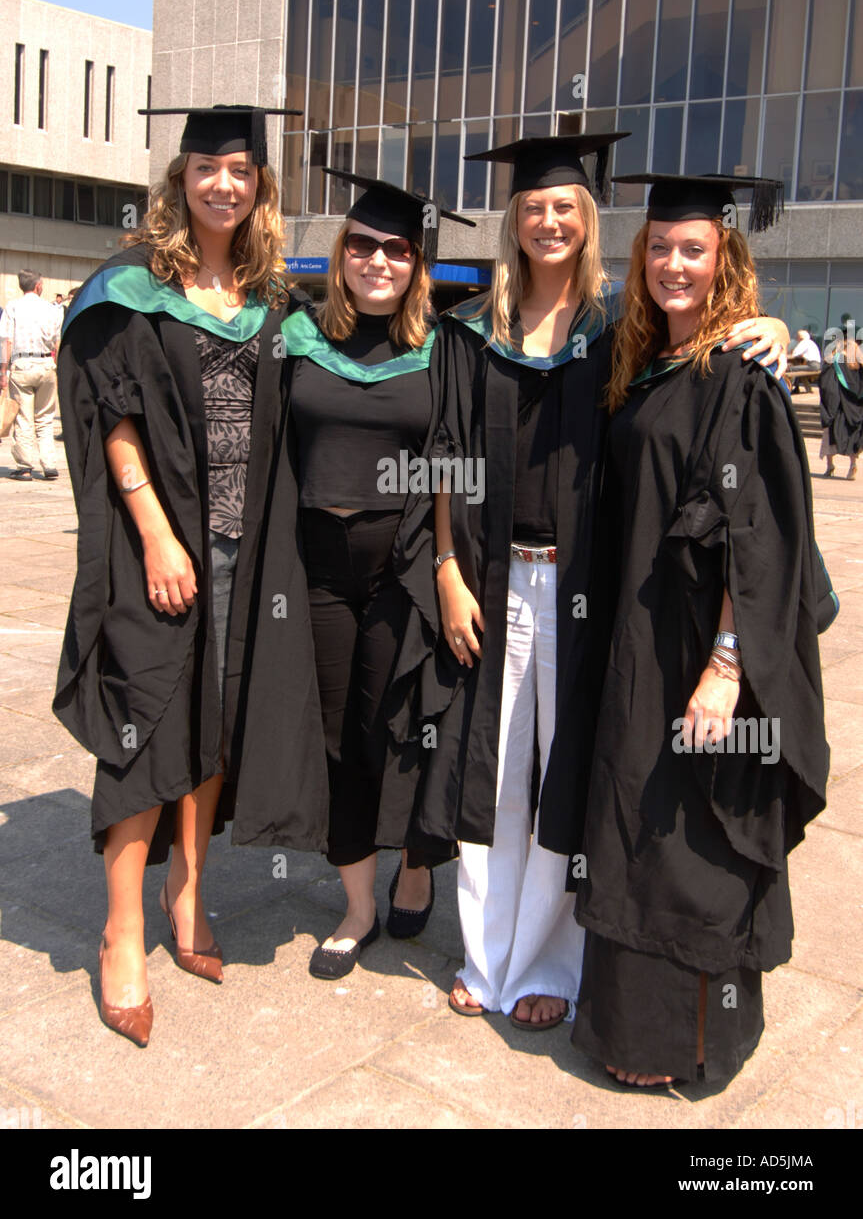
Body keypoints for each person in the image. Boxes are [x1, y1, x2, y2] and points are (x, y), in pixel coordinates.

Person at [410, 138, 791, 1030]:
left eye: (566, 209)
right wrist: (447, 570)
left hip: (590, 592)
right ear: (514, 221)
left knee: (567, 769)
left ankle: (548, 960)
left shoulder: (617, 330)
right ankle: (484, 954)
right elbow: (445, 463)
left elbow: (703, 360)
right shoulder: (468, 331)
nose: (549, 221)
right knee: (492, 769)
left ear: (587, 224)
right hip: (492, 583)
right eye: (535, 207)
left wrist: (764, 325)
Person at [53, 103, 309, 1045]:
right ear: (181, 178)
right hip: (157, 548)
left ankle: (189, 893)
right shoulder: (135, 284)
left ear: (259, 187)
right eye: (207, 168)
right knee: (146, 725)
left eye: (241, 171)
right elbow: (113, 415)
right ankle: (123, 933)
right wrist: (158, 533)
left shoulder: (272, 297)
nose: (223, 185)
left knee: (217, 721)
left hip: (248, 551)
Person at [572, 173, 834, 1087]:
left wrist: (725, 667)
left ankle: (690, 1043)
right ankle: (629, 1033)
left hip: (697, 649)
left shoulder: (737, 377)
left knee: (694, 840)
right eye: (657, 248)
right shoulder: (641, 363)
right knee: (635, 826)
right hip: (636, 643)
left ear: (724, 261)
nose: (671, 264)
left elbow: (754, 541)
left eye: (692, 250)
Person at [239, 168, 474, 979]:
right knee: (337, 734)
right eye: (363, 245)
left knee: (401, 725)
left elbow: (457, 464)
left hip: (401, 570)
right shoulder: (294, 335)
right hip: (316, 570)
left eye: (396, 249)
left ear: (418, 264)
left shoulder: (445, 349)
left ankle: (414, 864)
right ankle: (358, 904)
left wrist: (447, 563)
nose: (378, 260)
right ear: (341, 253)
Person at [0, 269, 63, 481]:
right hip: (46, 363)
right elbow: (57, 340)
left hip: (22, 364)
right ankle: (50, 464)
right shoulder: (51, 308)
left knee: (24, 418)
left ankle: (24, 466)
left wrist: (3, 371)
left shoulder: (12, 307)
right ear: (38, 286)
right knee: (45, 417)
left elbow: (6, 341)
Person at [820, 332, 862, 479]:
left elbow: (828, 386)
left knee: (830, 436)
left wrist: (828, 407)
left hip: (837, 407)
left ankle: (830, 466)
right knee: (852, 437)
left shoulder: (835, 361)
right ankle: (852, 466)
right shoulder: (859, 364)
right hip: (854, 408)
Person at [787, 326, 821, 394]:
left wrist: (792, 351)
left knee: (789, 369)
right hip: (816, 365)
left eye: (797, 336)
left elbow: (795, 353)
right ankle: (798, 388)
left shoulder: (804, 342)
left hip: (812, 366)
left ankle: (789, 388)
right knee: (797, 368)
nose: (796, 338)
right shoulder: (810, 342)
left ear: (800, 337)